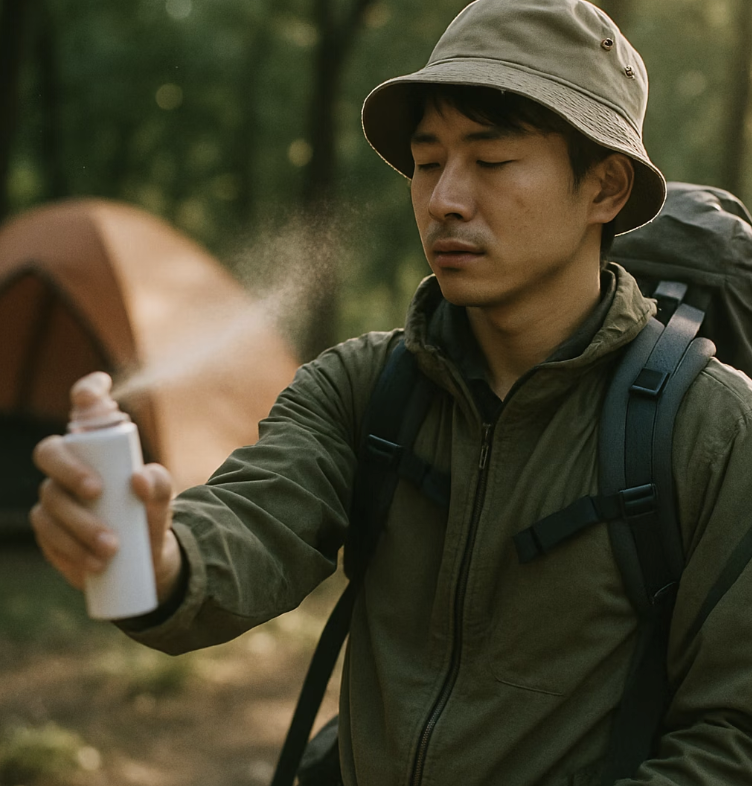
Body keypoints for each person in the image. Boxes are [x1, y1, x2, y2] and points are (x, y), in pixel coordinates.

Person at [30, 0, 752, 784]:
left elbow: (732, 736)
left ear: (605, 188)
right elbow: (254, 518)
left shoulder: (712, 432)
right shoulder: (367, 386)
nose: (444, 199)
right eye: (428, 161)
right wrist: (160, 557)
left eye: (492, 160)